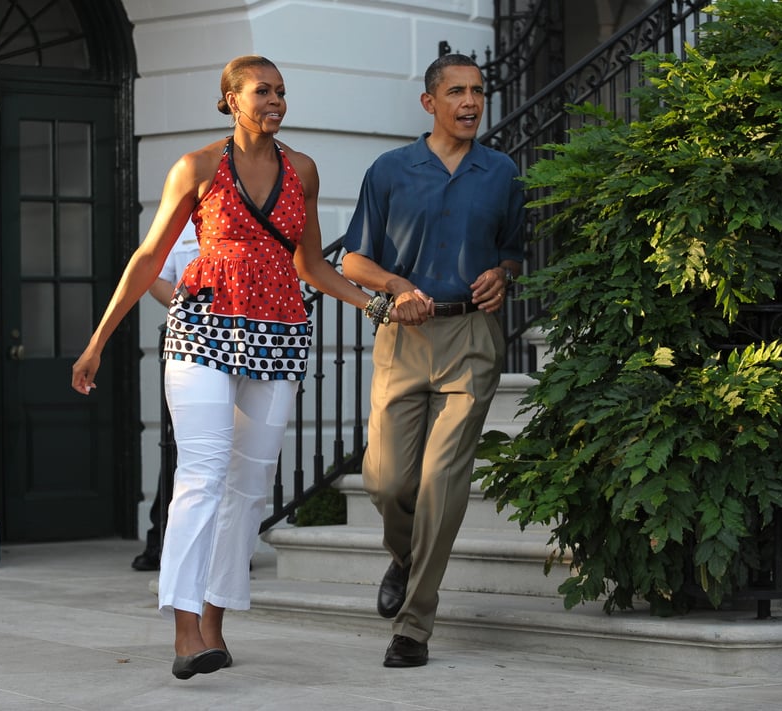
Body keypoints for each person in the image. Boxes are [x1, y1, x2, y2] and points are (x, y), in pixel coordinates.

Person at [71, 55, 395, 681]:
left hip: (277, 335)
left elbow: (312, 266)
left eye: (281, 91)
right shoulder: (195, 168)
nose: (275, 100)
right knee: (202, 473)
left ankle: (215, 622)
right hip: (202, 331)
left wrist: (374, 303)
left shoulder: (302, 170)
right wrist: (98, 341)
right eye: (261, 91)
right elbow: (148, 258)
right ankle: (185, 630)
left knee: (248, 489)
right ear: (230, 99)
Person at [341, 53, 525, 668]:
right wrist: (396, 287)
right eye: (457, 92)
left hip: (471, 338)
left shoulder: (502, 173)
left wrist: (503, 274)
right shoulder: (390, 170)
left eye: (478, 91)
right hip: (403, 338)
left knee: (443, 484)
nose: (471, 102)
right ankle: (403, 555)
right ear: (430, 102)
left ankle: (414, 627)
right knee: (387, 481)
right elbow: (352, 263)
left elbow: (511, 253)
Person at [130, 223, 200, 572]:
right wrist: (187, 305)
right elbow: (154, 277)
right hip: (190, 345)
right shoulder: (182, 220)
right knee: (179, 447)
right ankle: (160, 538)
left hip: (242, 345)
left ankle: (226, 550)